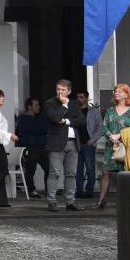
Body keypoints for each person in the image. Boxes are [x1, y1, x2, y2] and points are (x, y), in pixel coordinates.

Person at [97, 83, 130, 209]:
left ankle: (124, 201)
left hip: (125, 147)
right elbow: (104, 125)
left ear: (127, 94)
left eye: (119, 91)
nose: (116, 93)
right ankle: (101, 200)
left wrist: (119, 136)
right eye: (115, 91)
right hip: (110, 146)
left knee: (123, 174)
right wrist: (110, 136)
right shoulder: (110, 110)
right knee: (106, 172)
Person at [42, 79, 83, 212]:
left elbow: (81, 120)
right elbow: (54, 118)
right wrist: (64, 106)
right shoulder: (50, 103)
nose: (60, 92)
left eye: (63, 90)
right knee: (54, 172)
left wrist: (66, 121)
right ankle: (52, 201)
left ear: (69, 91)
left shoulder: (75, 103)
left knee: (71, 174)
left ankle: (70, 201)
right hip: (56, 143)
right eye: (58, 89)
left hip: (73, 142)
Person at [15, 97, 49, 193]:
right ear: (29, 107)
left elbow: (45, 130)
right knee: (30, 170)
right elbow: (29, 132)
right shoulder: (22, 119)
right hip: (30, 147)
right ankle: (31, 190)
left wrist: (38, 131)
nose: (38, 107)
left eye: (38, 105)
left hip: (43, 147)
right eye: (36, 105)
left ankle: (49, 190)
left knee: (49, 168)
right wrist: (39, 131)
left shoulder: (40, 117)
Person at [73, 91, 96, 199]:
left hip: (88, 144)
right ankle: (79, 190)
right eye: (77, 97)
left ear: (86, 98)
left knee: (90, 168)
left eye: (81, 97)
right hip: (76, 143)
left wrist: (92, 140)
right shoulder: (74, 111)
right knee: (78, 169)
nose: (79, 99)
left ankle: (89, 191)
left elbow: (100, 128)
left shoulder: (93, 111)